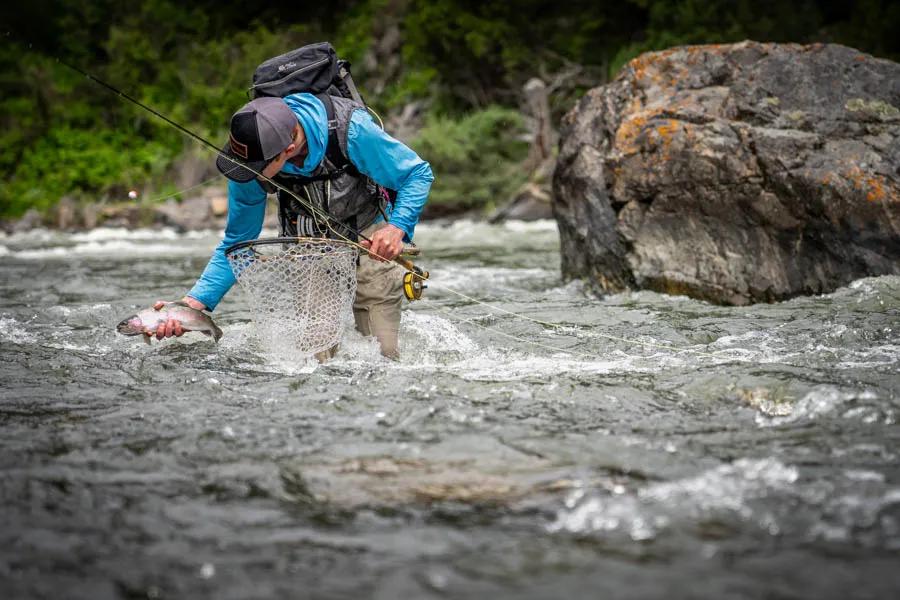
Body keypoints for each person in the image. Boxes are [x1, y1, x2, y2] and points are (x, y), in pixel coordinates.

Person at [154, 92, 433, 360]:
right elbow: (238, 244)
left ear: (288, 150)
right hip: (307, 245)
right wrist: (192, 303)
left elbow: (417, 173)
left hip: (371, 234)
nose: (245, 173)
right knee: (316, 359)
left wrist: (397, 228)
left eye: (254, 167)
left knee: (382, 353)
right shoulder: (249, 162)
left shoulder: (352, 130)